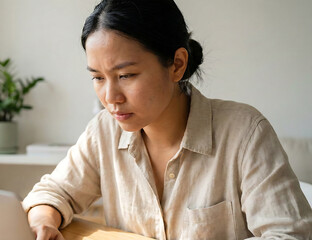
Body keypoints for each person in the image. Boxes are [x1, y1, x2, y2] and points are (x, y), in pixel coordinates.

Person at [23, 0, 312, 239]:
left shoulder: (244, 132)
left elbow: (288, 234)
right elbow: (51, 193)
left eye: (126, 75)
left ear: (177, 65)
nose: (110, 97)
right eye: (98, 78)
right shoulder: (104, 131)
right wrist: (44, 220)